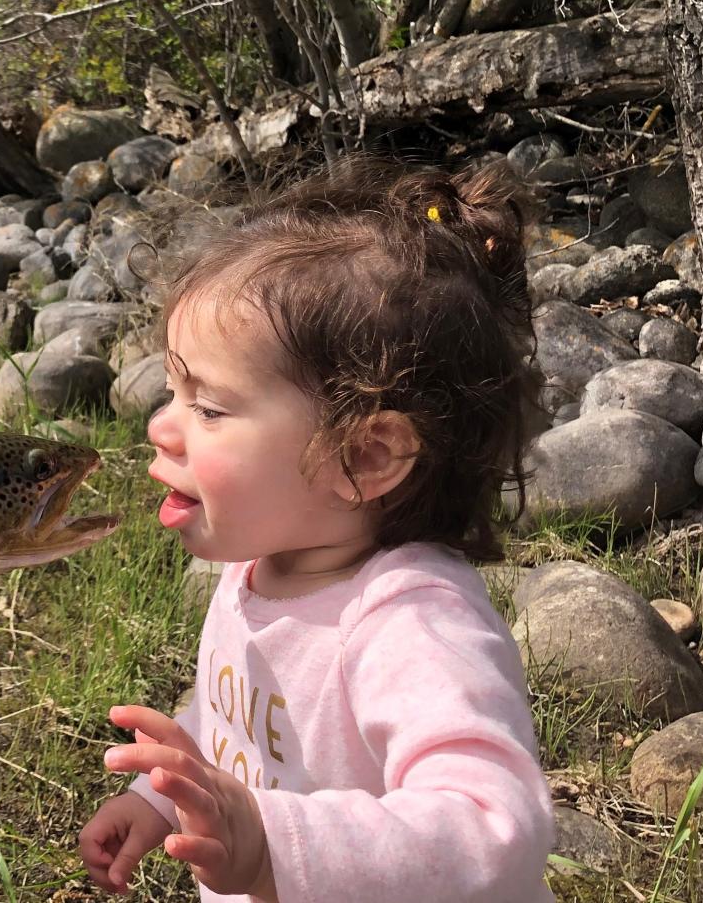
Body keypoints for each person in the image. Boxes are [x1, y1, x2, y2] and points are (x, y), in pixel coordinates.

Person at [77, 158, 556, 902]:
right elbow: (230, 719)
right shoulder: (264, 568)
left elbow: (496, 827)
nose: (160, 426)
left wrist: (271, 842)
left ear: (362, 457)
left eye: (207, 408)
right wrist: (162, 800)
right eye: (175, 391)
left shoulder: (411, 622)